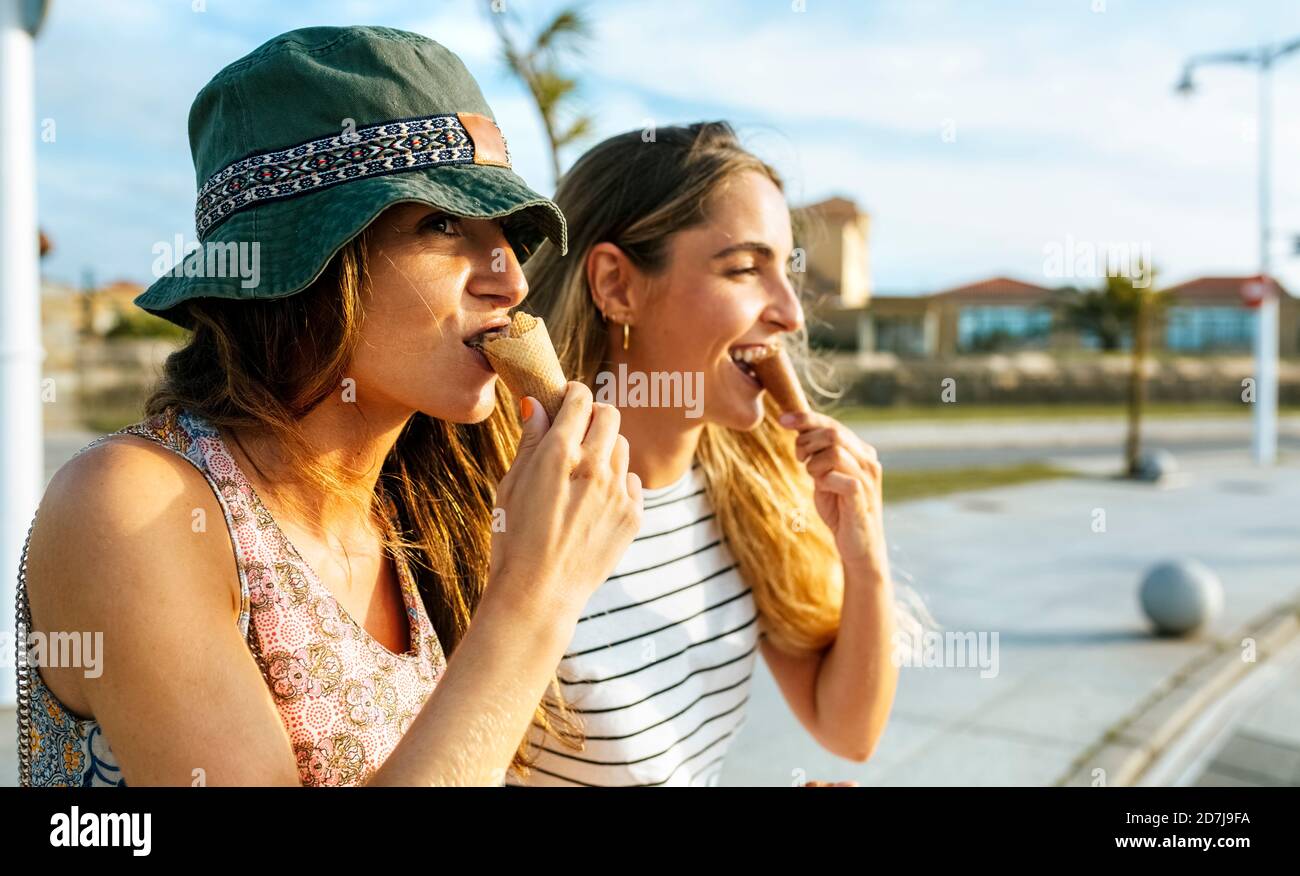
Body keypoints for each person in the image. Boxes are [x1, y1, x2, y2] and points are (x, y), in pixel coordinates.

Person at [15, 25, 641, 787]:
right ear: (302, 259)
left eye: (508, 234)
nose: (509, 281)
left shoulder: (413, 512)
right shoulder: (132, 505)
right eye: (443, 224)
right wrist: (536, 597)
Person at [511, 121, 924, 786]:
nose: (791, 313)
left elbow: (848, 731)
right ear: (617, 285)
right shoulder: (517, 511)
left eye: (783, 271)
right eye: (743, 269)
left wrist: (864, 555)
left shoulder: (747, 491)